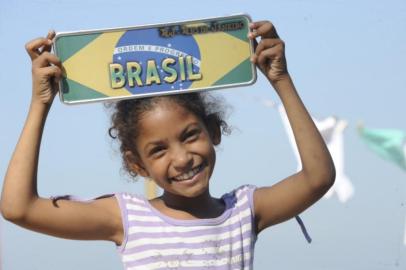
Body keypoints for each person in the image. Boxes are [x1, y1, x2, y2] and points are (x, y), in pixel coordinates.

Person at [0, 20, 335, 269]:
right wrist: (40, 104)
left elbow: (318, 177)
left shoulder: (243, 212)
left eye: (190, 135)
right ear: (137, 164)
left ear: (214, 131)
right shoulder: (127, 219)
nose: (182, 158)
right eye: (158, 150)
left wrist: (281, 80)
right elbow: (18, 208)